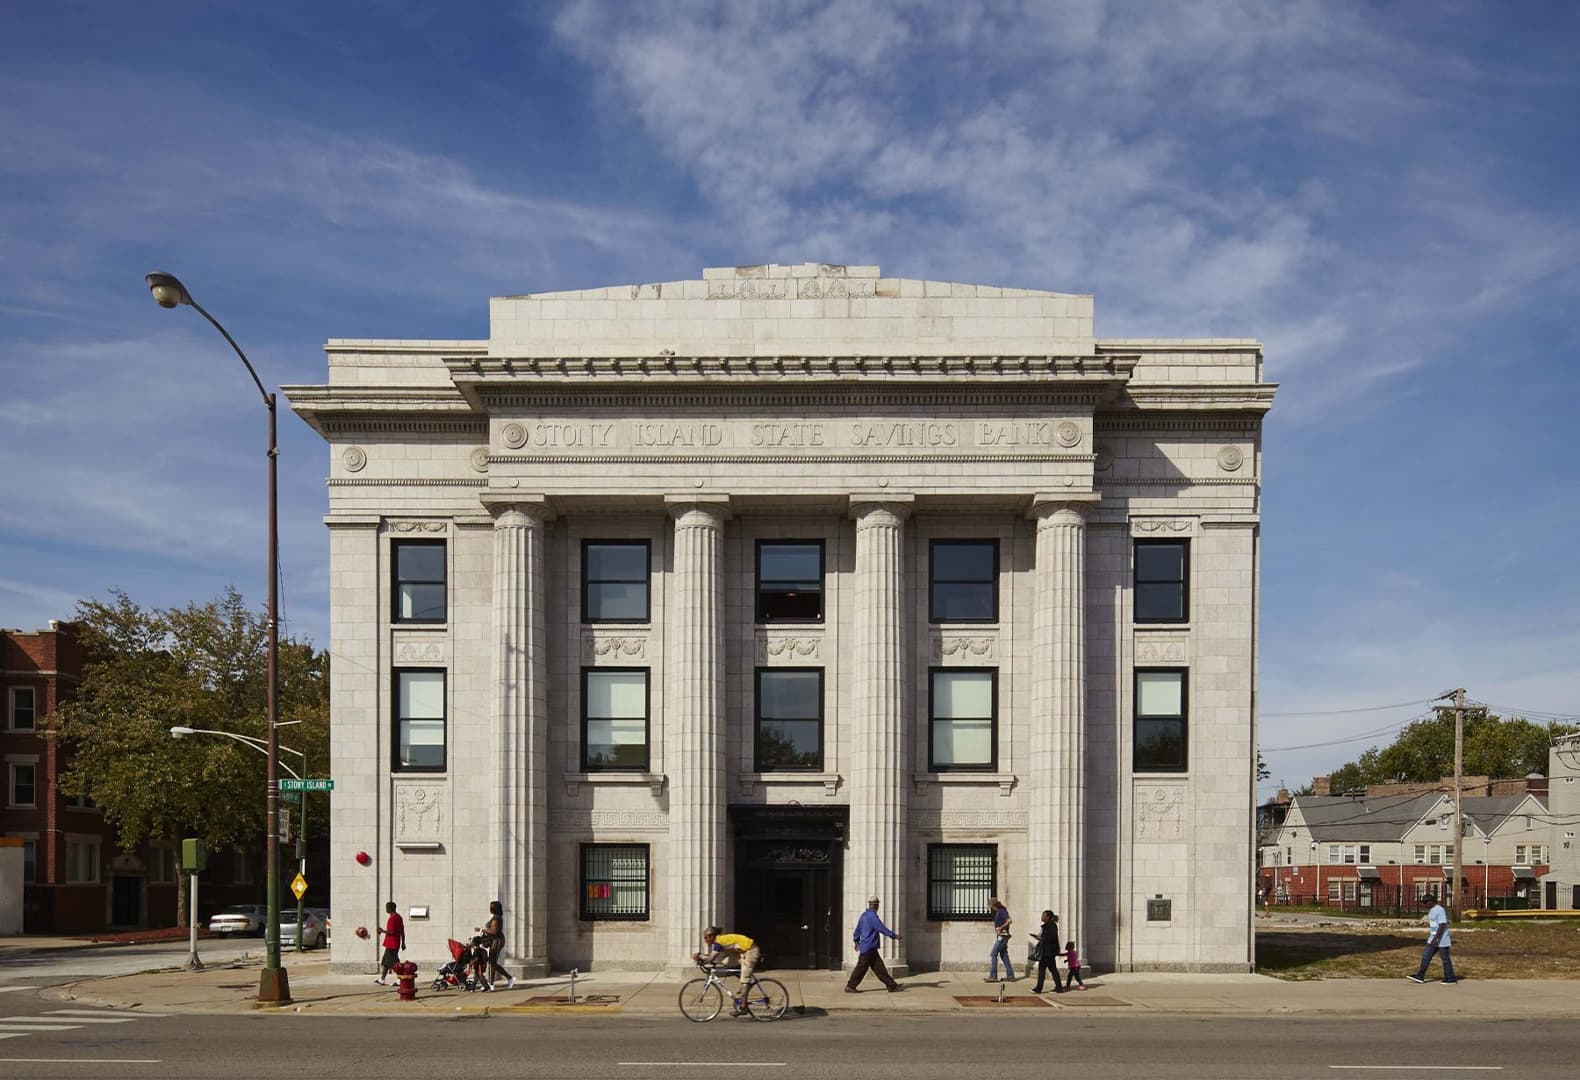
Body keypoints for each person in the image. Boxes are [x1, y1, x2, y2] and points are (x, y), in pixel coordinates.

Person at [694, 926, 761, 1015]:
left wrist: (700, 958)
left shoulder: (718, 942)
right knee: (725, 962)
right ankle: (740, 974)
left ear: (711, 936)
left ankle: (743, 1007)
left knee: (745, 980)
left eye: (706, 937)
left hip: (751, 951)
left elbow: (711, 958)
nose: (705, 940)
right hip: (742, 952)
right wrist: (702, 957)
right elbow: (712, 956)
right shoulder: (718, 941)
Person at [845, 895, 903, 993]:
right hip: (869, 947)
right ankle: (850, 986)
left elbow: (857, 930)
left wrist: (856, 941)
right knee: (861, 968)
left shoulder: (863, 915)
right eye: (877, 905)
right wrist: (894, 936)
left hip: (867, 947)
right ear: (876, 905)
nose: (877, 907)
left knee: (880, 969)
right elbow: (881, 928)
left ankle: (892, 985)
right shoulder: (873, 917)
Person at [1406, 894, 1457, 984]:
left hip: (1442, 939)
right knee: (1426, 957)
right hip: (1432, 938)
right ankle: (1420, 976)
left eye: (1426, 903)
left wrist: (1436, 939)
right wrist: (1432, 938)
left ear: (1431, 901)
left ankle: (1450, 978)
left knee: (1445, 959)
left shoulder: (1440, 910)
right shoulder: (1431, 911)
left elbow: (1442, 925)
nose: (1425, 905)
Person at [482, 899, 517, 991]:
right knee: (492, 962)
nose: (490, 908)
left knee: (492, 962)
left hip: (497, 941)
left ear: (495, 909)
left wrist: (482, 930)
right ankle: (492, 983)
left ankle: (507, 978)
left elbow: (494, 932)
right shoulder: (495, 917)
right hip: (495, 941)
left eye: (491, 907)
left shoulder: (496, 919)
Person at [1030, 910, 1063, 993]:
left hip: (1048, 952)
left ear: (1047, 917)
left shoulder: (1050, 926)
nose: (1042, 917)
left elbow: (1050, 938)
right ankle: (1059, 987)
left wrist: (1040, 938)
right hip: (1048, 951)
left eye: (1043, 915)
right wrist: (1038, 937)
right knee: (1053, 969)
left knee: (1042, 970)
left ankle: (1038, 988)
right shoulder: (1049, 925)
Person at [985, 897, 1015, 981]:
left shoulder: (1001, 911)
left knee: (993, 954)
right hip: (1002, 936)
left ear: (995, 905)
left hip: (1003, 936)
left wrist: (1000, 928)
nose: (992, 908)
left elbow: (1009, 921)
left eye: (992, 906)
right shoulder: (999, 911)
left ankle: (993, 976)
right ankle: (1010, 975)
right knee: (1004, 955)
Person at [376, 900, 404, 985]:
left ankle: (400, 980)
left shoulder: (392, 919)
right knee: (386, 962)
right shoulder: (399, 917)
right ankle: (382, 979)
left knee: (394, 963)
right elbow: (402, 931)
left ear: (391, 908)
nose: (386, 909)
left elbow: (392, 932)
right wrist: (403, 942)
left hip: (391, 943)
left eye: (387, 907)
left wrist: (382, 931)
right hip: (395, 943)